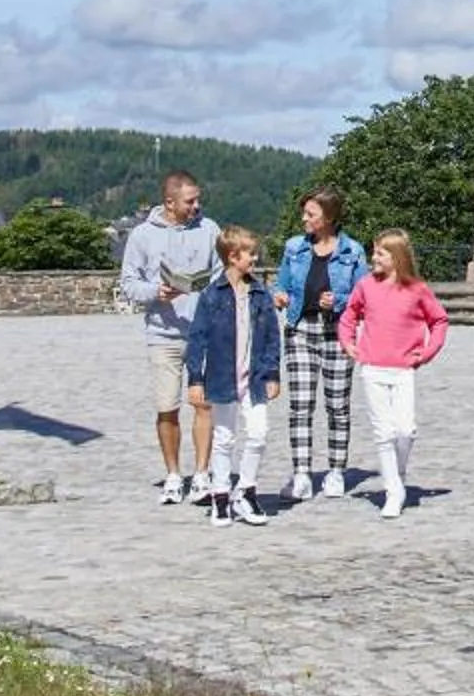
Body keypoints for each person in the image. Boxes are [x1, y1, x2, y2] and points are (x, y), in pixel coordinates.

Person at [116, 171, 221, 506]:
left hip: (203, 332)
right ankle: (174, 475)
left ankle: (202, 473)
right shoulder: (142, 235)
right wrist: (155, 292)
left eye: (198, 199)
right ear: (169, 202)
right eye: (190, 201)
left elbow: (222, 275)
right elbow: (128, 283)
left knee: (204, 404)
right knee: (167, 407)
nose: (196, 206)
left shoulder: (210, 229)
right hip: (163, 333)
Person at [339, 228, 449, 519]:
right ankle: (393, 490)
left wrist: (427, 352)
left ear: (397, 257)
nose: (373, 258)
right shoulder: (365, 286)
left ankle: (398, 472)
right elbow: (349, 316)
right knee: (384, 432)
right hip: (372, 368)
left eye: (380, 253)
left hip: (402, 370)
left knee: (405, 430)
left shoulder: (417, 290)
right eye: (374, 252)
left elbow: (439, 320)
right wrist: (347, 342)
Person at [273, 187, 368, 501]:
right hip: (300, 330)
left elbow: (364, 296)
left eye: (310, 213)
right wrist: (280, 295)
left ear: (328, 217)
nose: (304, 218)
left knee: (337, 405)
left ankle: (336, 471)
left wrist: (338, 300)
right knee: (300, 405)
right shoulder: (293, 248)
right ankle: (301, 473)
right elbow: (280, 283)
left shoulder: (353, 251)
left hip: (338, 333)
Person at [185, 226, 283, 527]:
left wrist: (272, 372)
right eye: (250, 254)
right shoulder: (211, 296)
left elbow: (272, 336)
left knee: (258, 433)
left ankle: (246, 491)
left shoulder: (260, 294)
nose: (255, 258)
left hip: (254, 378)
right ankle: (220, 495)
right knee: (224, 438)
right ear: (232, 256)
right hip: (222, 377)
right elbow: (197, 339)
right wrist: (195, 379)